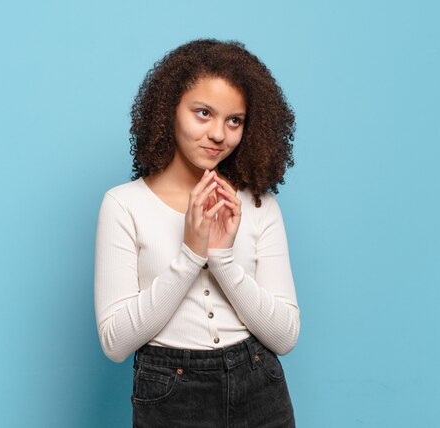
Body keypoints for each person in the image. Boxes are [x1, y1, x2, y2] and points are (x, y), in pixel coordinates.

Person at [94, 38, 300, 427]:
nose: (219, 134)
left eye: (234, 120)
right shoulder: (124, 205)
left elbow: (285, 337)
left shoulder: (258, 205)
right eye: (203, 113)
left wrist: (222, 259)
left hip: (260, 386)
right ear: (169, 110)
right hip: (170, 392)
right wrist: (190, 254)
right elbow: (115, 343)